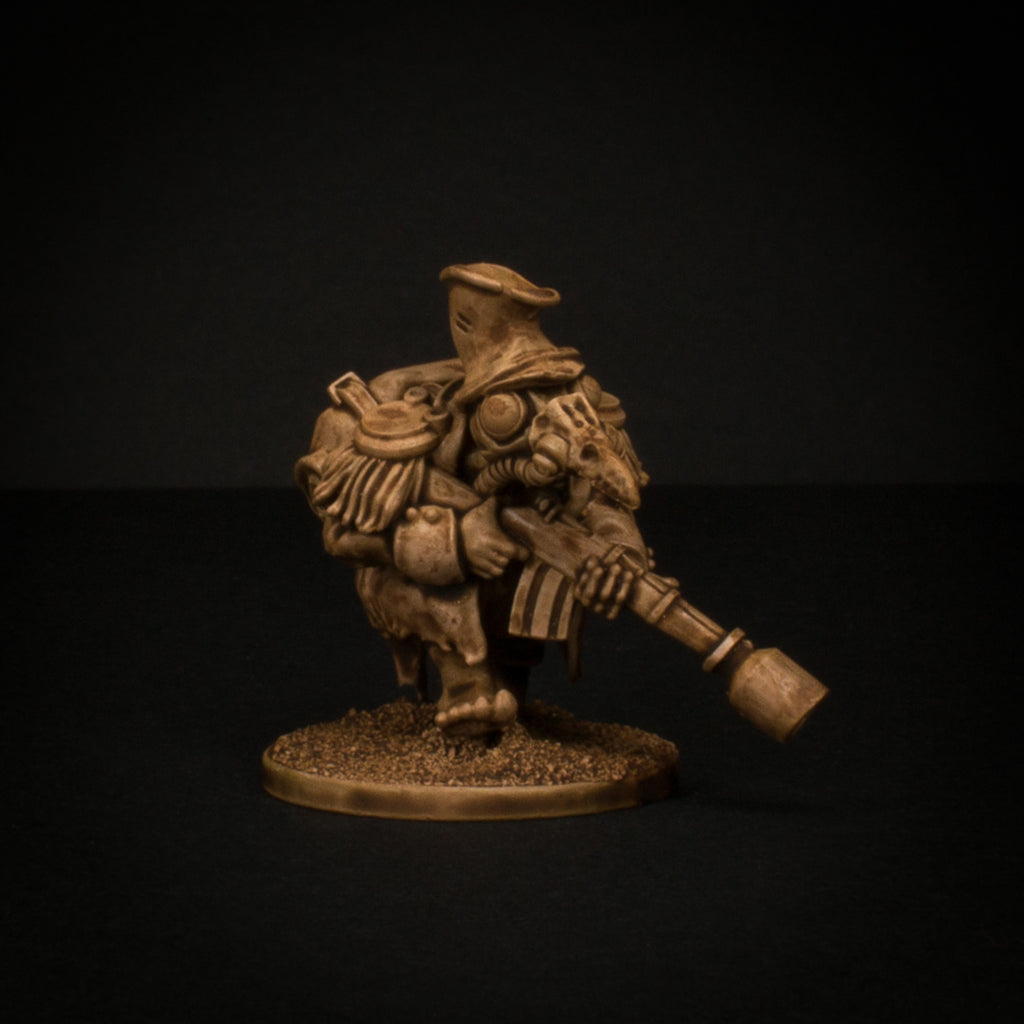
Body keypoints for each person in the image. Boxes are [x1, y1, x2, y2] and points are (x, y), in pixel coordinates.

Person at [295, 263, 649, 740]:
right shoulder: (391, 407)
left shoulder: (562, 396)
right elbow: (343, 535)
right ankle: (466, 688)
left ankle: (507, 692)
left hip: (520, 565)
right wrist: (454, 543)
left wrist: (619, 550)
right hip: (428, 578)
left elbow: (604, 495)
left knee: (525, 579)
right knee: (426, 584)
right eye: (507, 409)